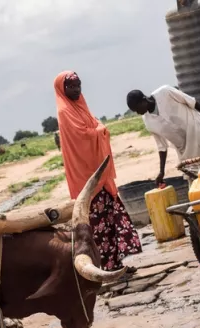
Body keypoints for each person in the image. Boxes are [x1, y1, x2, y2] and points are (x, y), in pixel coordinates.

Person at [54, 71, 142, 271]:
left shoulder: (81, 106)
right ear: (62, 89)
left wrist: (98, 129)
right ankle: (106, 266)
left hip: (99, 173)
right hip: (87, 177)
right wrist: (100, 130)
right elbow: (83, 136)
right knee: (98, 223)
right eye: (71, 86)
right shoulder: (65, 111)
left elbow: (94, 124)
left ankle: (116, 264)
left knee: (110, 218)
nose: (76, 89)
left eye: (78, 85)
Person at [127, 86, 200, 186]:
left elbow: (191, 102)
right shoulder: (148, 121)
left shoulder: (165, 92)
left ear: (144, 100)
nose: (138, 113)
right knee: (198, 183)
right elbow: (161, 147)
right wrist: (162, 172)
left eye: (137, 108)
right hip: (186, 153)